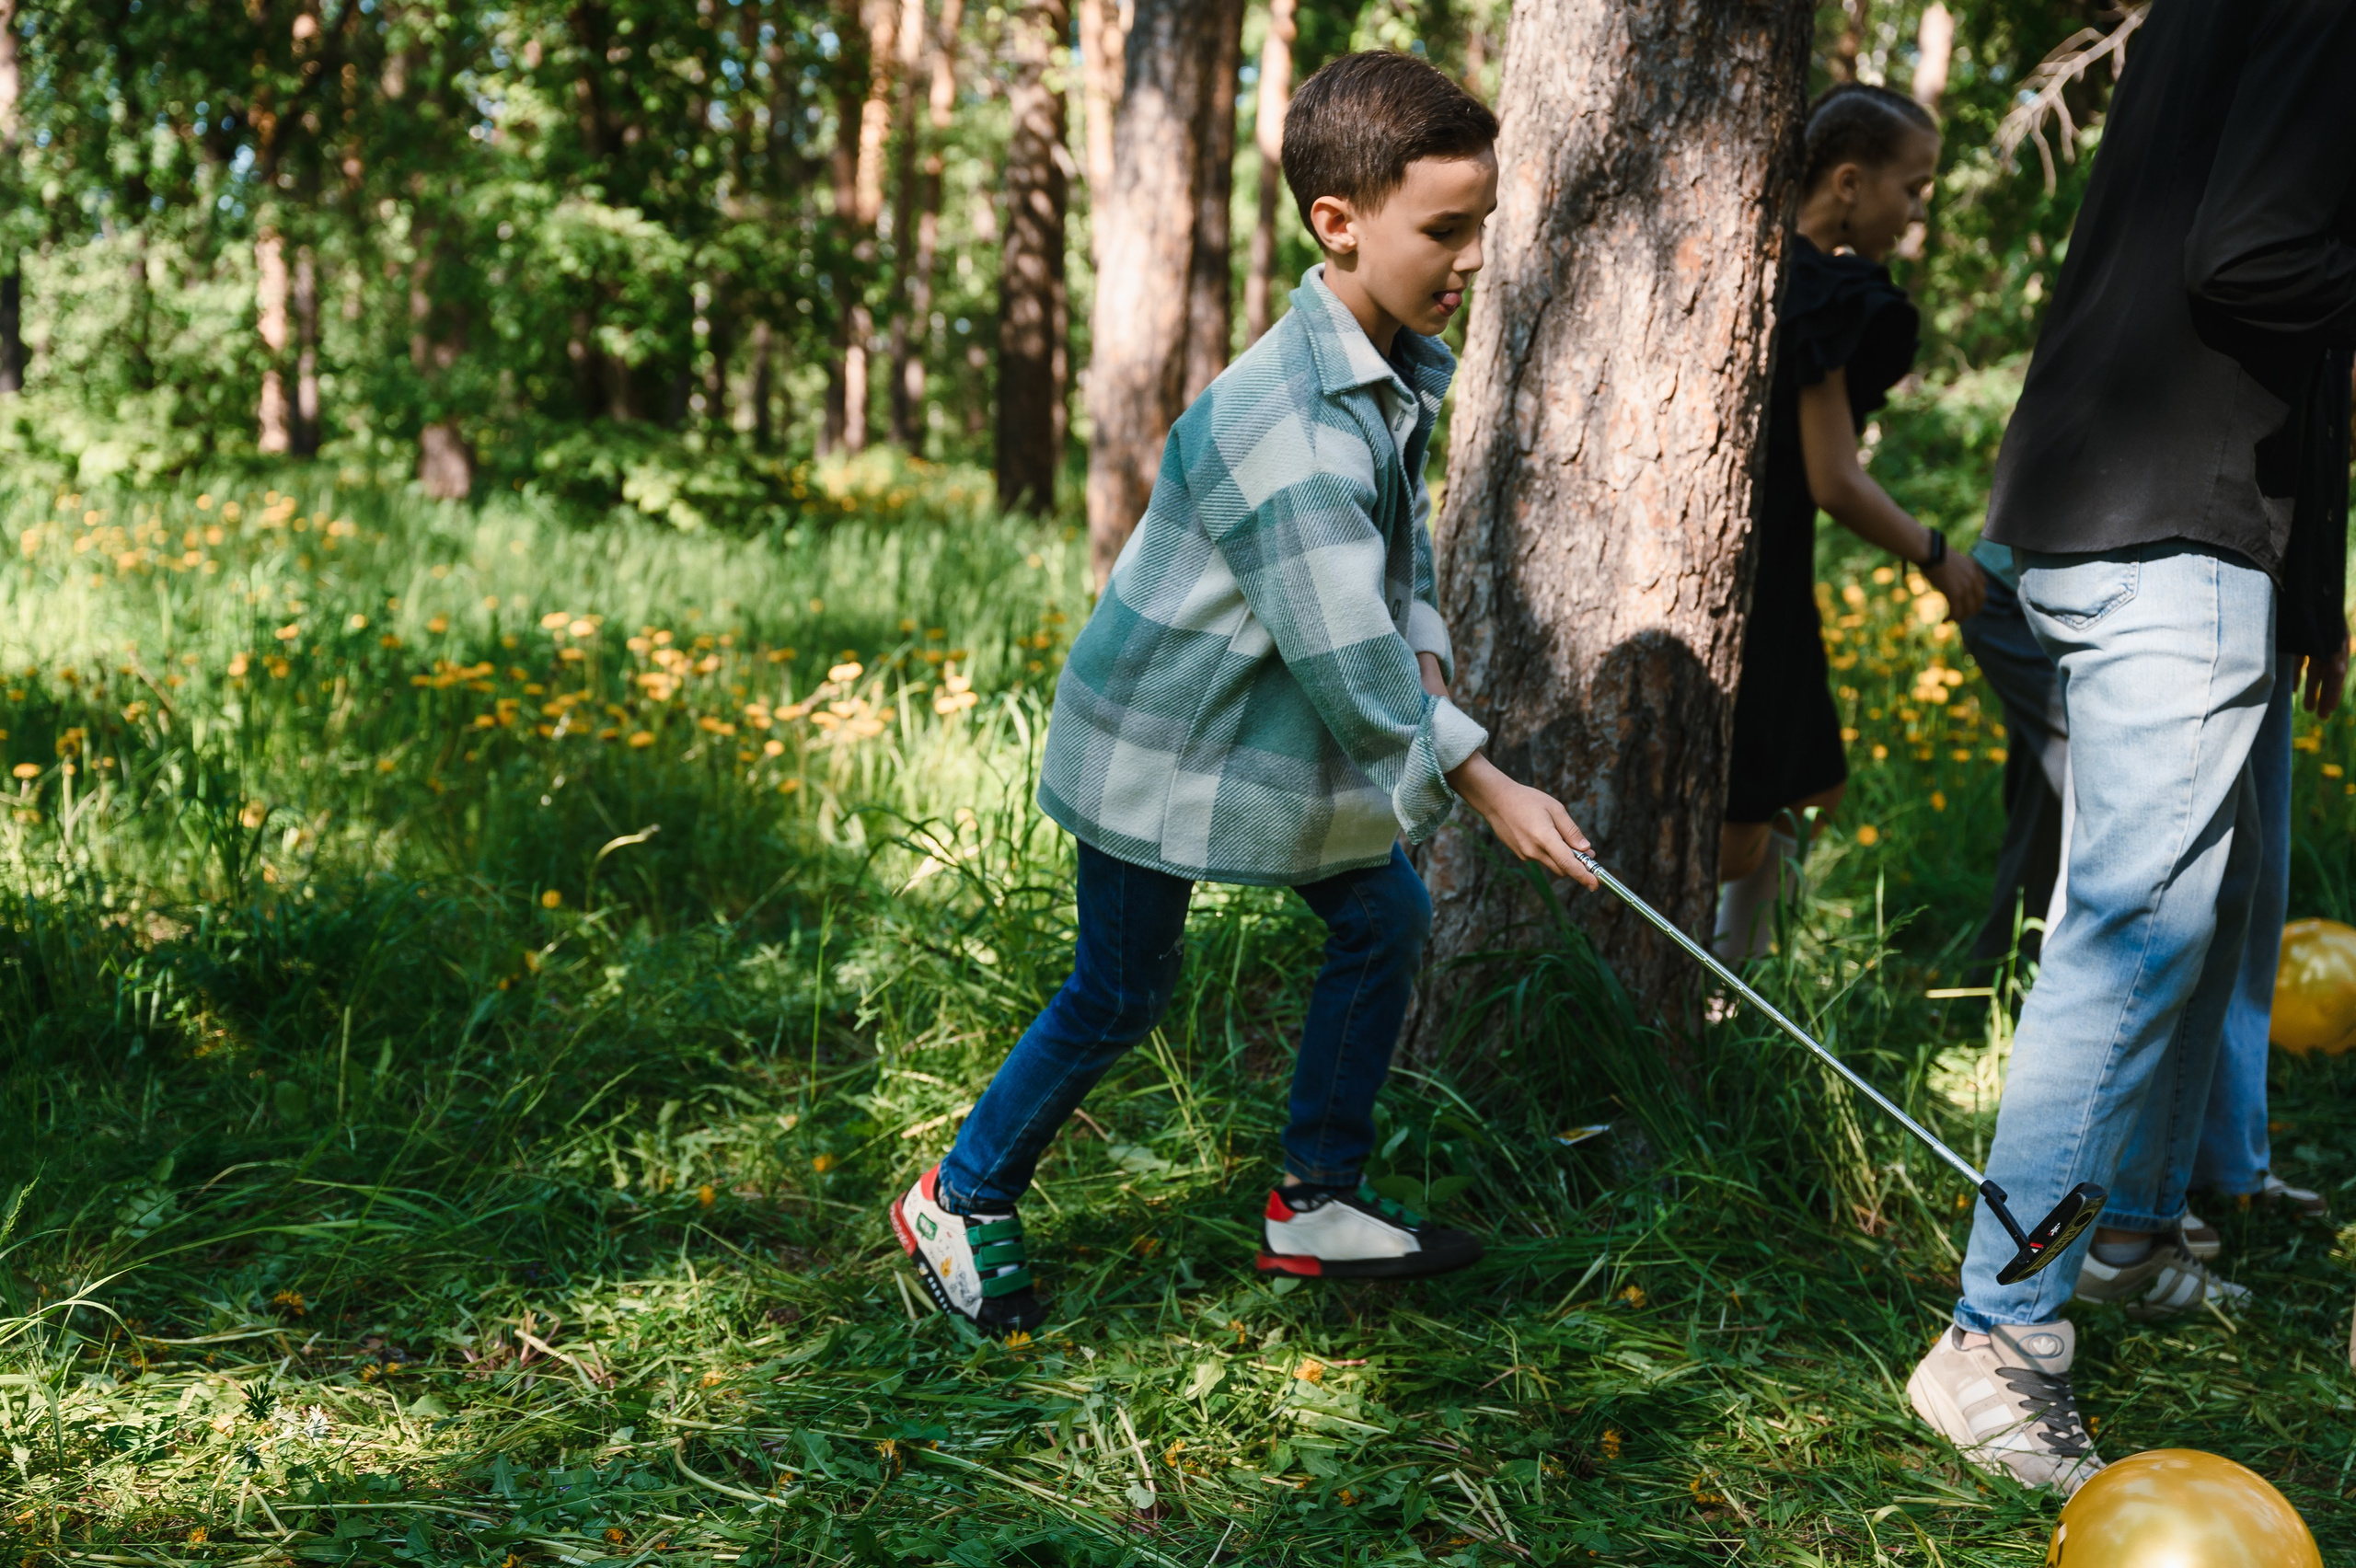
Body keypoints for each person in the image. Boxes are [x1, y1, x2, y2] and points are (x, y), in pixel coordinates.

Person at [888, 52, 1599, 1335]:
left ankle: (1316, 1199)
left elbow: (1400, 561)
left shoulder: (1381, 367)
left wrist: (1430, 649)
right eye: (1445, 228)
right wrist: (1486, 780)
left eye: (1479, 227)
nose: (1472, 259)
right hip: (1157, 741)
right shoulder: (1289, 422)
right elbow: (1342, 650)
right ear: (1340, 222)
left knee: (1382, 917)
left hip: (1266, 735)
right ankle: (961, 1190)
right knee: (1121, 990)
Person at [1905, 0, 2355, 1497]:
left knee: (2207, 908)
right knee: (2136, 927)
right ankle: (1998, 1337)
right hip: (2175, 516)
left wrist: (2314, 586)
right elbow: (2259, 259)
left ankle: (2139, 1235)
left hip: (2158, 509)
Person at [1715, 83, 1988, 960]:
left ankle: (1740, 997)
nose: (1916, 211)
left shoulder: (1780, 276)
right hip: (1750, 587)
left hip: (1773, 571)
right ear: (1847, 181)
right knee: (1736, 831)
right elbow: (1835, 478)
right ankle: (1710, 988)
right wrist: (1934, 553)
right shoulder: (1816, 289)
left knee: (1813, 786)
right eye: (1912, 187)